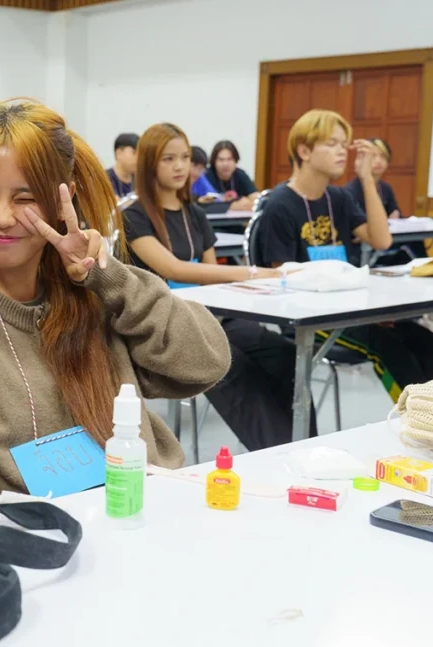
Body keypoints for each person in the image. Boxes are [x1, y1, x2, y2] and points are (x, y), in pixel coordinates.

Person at [0, 99, 230, 507]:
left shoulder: (95, 293)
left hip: (142, 513)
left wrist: (108, 277)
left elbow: (207, 361)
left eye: (25, 198)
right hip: (32, 539)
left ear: (63, 199)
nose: (2, 217)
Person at [123, 123, 312, 450]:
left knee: (284, 354)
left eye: (185, 157)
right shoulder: (134, 216)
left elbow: (211, 273)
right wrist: (255, 273)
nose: (180, 166)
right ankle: (281, 453)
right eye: (168, 158)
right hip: (168, 324)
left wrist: (251, 280)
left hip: (212, 315)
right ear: (150, 163)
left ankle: (305, 444)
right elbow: (173, 268)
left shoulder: (194, 214)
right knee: (231, 366)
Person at [258, 109, 433, 400]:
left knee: (423, 340)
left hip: (349, 309)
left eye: (344, 144)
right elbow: (282, 279)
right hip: (309, 316)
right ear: (304, 151)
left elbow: (382, 239)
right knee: (388, 347)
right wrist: (360, 316)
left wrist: (367, 179)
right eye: (332, 144)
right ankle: (419, 414)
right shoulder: (280, 205)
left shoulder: (339, 198)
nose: (342, 151)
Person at [203, 141, 259, 211]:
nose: (225, 164)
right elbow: (204, 203)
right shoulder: (206, 176)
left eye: (229, 159)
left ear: (235, 161)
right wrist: (232, 205)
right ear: (214, 162)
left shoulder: (240, 174)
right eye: (221, 160)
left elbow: (256, 199)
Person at [107, 133, 138, 197]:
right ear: (119, 153)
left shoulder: (141, 180)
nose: (138, 158)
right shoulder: (104, 179)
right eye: (134, 153)